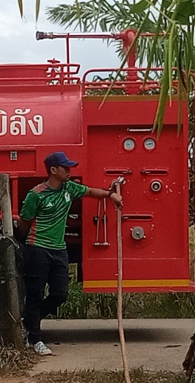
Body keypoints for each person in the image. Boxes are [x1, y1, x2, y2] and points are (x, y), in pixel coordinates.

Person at [18, 151, 123, 356]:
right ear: (53, 170)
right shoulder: (36, 194)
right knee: (35, 294)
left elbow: (92, 192)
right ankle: (35, 339)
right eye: (65, 168)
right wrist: (26, 243)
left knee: (60, 294)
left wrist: (111, 196)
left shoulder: (70, 188)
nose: (69, 171)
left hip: (59, 250)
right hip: (37, 248)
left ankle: (29, 320)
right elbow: (24, 222)